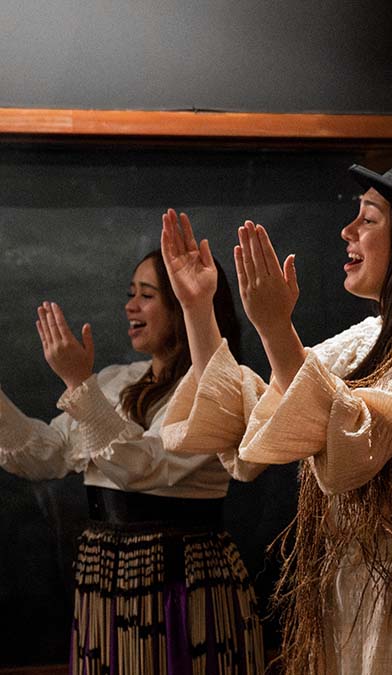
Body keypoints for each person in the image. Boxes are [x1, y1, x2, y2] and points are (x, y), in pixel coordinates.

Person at [159, 141, 392, 674]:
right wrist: (199, 309)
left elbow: (354, 438)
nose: (348, 231)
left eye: (368, 218)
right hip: (363, 595)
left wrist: (276, 329)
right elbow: (260, 425)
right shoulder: (365, 338)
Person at [0, 248, 262, 674]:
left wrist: (77, 383)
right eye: (130, 294)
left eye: (146, 295)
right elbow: (44, 456)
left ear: (183, 307)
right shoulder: (114, 381)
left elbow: (142, 468)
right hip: (106, 588)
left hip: (181, 586)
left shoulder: (216, 391)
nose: (130, 306)